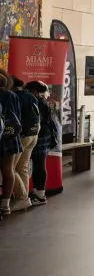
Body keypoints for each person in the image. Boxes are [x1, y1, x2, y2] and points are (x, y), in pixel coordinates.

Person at [8, 77, 41, 213]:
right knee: (22, 167)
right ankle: (23, 197)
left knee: (10, 169)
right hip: (34, 134)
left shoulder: (14, 96)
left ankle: (22, 198)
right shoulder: (30, 96)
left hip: (23, 136)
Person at [27, 81, 58, 205]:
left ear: (34, 91)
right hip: (45, 135)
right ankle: (37, 191)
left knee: (39, 164)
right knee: (38, 163)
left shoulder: (37, 102)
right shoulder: (42, 100)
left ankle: (40, 195)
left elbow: (36, 122)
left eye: (28, 91)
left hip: (41, 135)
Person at [0, 70, 23, 217]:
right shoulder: (12, 95)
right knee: (8, 171)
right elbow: (18, 117)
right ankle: (5, 205)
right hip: (10, 137)